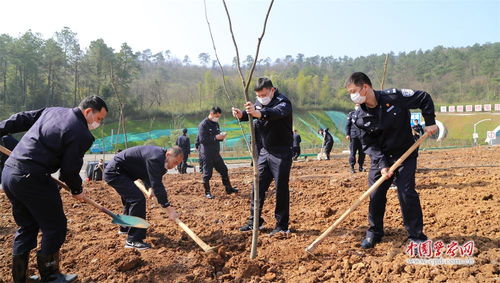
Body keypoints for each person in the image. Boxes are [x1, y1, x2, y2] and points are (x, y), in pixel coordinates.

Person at [0, 96, 108, 282]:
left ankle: (20, 278)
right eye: (99, 118)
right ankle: (50, 276)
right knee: (55, 227)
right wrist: (77, 189)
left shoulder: (53, 111)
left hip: (10, 173)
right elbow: (69, 170)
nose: (99, 123)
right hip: (33, 178)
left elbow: (22, 118)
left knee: (27, 226)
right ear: (89, 111)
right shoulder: (82, 133)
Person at [345, 72, 438, 249]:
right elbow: (369, 144)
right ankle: (374, 233)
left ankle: (416, 236)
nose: (352, 96)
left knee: (406, 192)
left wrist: (430, 121)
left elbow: (424, 98)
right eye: (349, 92)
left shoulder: (394, 96)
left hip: (405, 154)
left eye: (354, 91)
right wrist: (382, 165)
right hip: (381, 158)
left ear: (365, 87)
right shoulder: (359, 117)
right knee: (376, 194)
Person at [232, 77, 293, 235]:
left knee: (281, 188)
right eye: (258, 96)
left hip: (281, 152)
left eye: (263, 94)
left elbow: (273, 113)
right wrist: (242, 115)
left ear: (272, 90)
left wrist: (257, 112)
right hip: (264, 152)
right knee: (257, 186)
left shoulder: (283, 102)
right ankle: (255, 220)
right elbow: (254, 114)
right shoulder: (259, 103)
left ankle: (281, 225)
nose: (260, 98)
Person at [103, 145, 183, 250]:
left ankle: (125, 227)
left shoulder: (160, 159)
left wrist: (150, 187)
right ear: (168, 155)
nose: (175, 166)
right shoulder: (156, 157)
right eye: (175, 162)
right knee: (137, 199)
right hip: (116, 172)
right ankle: (133, 240)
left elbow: (146, 173)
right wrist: (168, 208)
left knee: (131, 199)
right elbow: (157, 185)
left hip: (124, 173)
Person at [198, 107, 238, 199]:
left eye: (219, 116)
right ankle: (207, 192)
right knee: (207, 174)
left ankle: (229, 188)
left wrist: (222, 136)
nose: (217, 118)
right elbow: (202, 140)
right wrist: (216, 137)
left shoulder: (216, 124)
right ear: (211, 114)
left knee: (224, 170)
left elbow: (217, 136)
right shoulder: (203, 125)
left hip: (216, 153)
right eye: (216, 116)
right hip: (207, 154)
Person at [345, 104, 366, 173]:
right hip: (353, 136)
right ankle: (352, 167)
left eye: (359, 105)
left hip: (362, 136)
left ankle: (360, 167)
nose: (358, 106)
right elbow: (348, 124)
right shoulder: (351, 114)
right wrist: (347, 134)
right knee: (353, 152)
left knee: (362, 153)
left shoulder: (364, 113)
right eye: (357, 105)